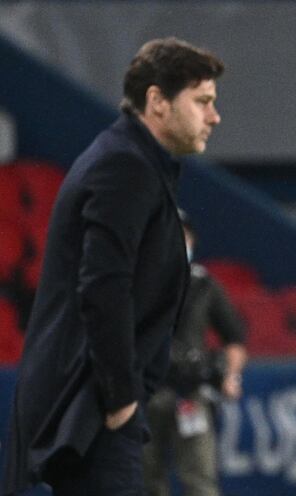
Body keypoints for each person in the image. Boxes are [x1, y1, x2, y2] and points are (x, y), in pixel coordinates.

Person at [1, 37, 224, 496]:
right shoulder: (124, 166)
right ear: (157, 102)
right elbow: (103, 288)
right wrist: (121, 397)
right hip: (96, 407)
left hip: (101, 403)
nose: (213, 116)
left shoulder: (135, 161)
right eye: (202, 102)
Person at [143, 211, 247, 496]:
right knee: (144, 480)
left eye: (183, 235)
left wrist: (231, 375)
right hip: (144, 393)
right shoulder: (135, 284)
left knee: (199, 479)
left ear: (192, 239)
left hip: (190, 392)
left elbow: (235, 339)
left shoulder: (204, 285)